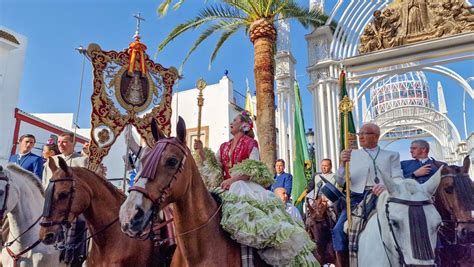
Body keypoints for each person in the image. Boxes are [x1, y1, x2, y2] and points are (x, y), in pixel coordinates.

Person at [194, 111, 318, 266]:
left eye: (235, 120)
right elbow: (215, 168)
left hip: (244, 188)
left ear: (244, 126)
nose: (231, 122)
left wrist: (233, 179)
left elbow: (254, 169)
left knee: (250, 222)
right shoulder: (224, 146)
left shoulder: (250, 144)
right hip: (225, 188)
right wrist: (201, 151)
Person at [333, 123, 404, 266]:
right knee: (338, 230)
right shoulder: (351, 154)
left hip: (384, 195)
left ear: (376, 136)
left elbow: (399, 178)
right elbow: (341, 181)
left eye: (365, 134)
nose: (360, 137)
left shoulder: (392, 155)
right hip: (357, 198)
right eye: (360, 134)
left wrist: (386, 186)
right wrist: (342, 164)